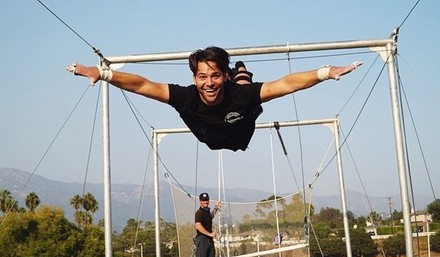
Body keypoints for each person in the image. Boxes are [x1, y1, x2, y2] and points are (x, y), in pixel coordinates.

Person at [67, 46, 362, 151]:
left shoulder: (238, 93)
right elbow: (143, 84)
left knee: (246, 86)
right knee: (244, 85)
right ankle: (242, 70)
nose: (209, 83)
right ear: (195, 77)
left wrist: (324, 72)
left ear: (223, 76)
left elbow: (285, 84)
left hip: (240, 133)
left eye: (216, 76)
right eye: (203, 77)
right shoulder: (184, 97)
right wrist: (104, 74)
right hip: (210, 139)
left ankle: (241, 70)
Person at [194, 192, 221, 257]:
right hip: (202, 239)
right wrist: (210, 234)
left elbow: (210, 217)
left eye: (207, 200)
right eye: (203, 200)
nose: (205, 202)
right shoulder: (199, 213)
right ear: (200, 202)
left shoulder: (207, 212)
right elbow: (198, 226)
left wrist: (216, 208)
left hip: (209, 240)